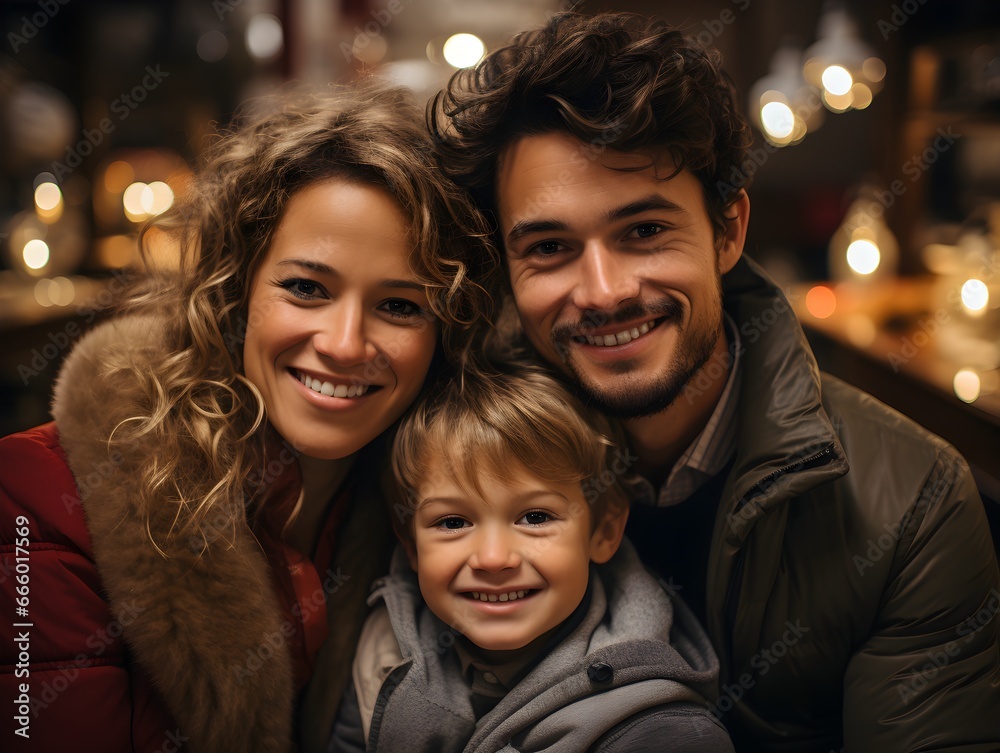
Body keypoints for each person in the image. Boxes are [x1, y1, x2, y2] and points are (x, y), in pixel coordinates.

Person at [429, 11, 1000, 751]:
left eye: (643, 231)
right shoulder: (443, 449)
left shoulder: (913, 505)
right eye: (550, 246)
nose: (603, 291)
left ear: (727, 231)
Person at [0, 80, 494, 753]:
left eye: (402, 305)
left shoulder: (427, 509)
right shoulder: (36, 496)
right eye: (306, 288)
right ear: (235, 290)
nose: (345, 343)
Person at [327, 358, 734, 753]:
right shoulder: (384, 647)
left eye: (535, 517)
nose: (492, 558)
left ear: (604, 530)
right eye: (452, 523)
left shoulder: (658, 731)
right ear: (410, 545)